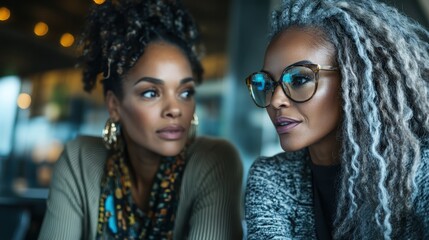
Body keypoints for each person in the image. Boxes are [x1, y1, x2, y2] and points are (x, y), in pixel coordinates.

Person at [39, 0, 243, 239]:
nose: (175, 109)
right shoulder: (79, 160)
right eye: (151, 93)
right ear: (114, 105)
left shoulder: (214, 161)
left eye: (185, 92)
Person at [244, 0, 429, 239]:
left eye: (299, 80)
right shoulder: (272, 177)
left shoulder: (420, 170)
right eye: (267, 84)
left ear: (355, 81)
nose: (276, 100)